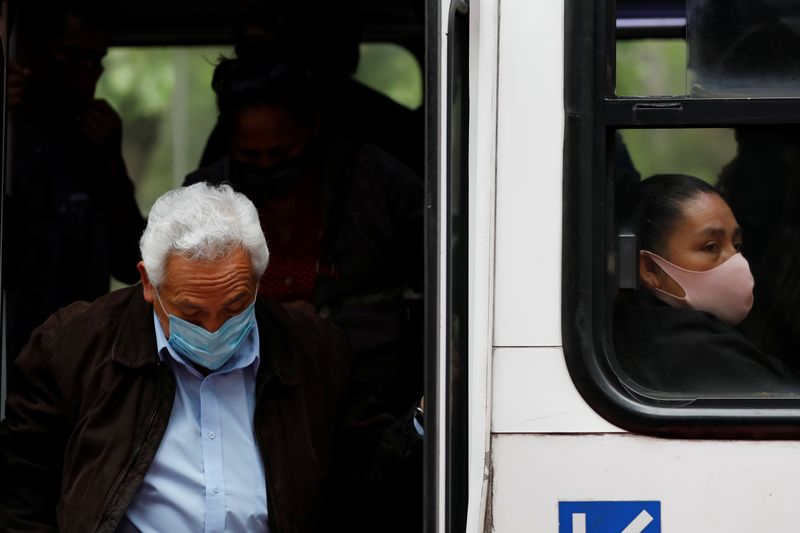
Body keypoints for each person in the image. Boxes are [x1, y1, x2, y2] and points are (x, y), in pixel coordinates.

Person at [0, 183, 422, 532]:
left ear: (259, 281)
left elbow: (366, 483)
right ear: (148, 283)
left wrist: (425, 420)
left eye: (235, 307)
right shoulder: (74, 345)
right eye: (190, 313)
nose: (214, 328)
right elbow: (19, 492)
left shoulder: (314, 350)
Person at [186, 56, 425, 419]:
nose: (267, 165)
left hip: (370, 384)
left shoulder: (373, 176)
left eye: (282, 152)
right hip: (242, 389)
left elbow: (443, 264)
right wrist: (270, 319)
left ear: (313, 125)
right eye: (249, 155)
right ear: (227, 138)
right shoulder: (203, 197)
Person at [6, 0, 145, 363]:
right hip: (11, 344)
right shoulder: (11, 132)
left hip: (78, 354)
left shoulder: (92, 140)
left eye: (96, 61)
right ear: (29, 52)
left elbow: (129, 260)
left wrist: (113, 166)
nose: (87, 75)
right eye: (72, 56)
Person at [613, 174, 800, 395]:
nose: (736, 261)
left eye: (737, 245)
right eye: (710, 247)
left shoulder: (647, 331)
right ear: (651, 269)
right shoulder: (694, 352)